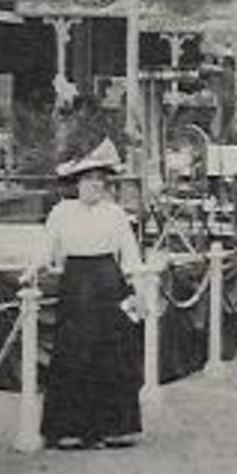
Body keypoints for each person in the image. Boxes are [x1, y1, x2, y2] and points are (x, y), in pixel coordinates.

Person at [42, 139, 143, 451]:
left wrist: (137, 288)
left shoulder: (115, 214)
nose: (94, 186)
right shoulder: (61, 212)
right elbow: (47, 249)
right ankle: (69, 429)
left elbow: (129, 253)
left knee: (111, 355)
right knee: (74, 355)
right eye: (88, 180)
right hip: (75, 286)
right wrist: (36, 268)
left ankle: (112, 428)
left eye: (100, 180)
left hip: (109, 285)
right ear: (76, 184)